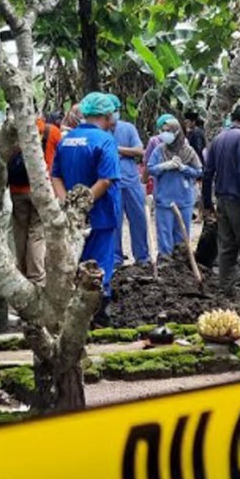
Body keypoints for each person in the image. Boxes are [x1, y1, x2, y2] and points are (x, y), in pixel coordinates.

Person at [50, 92, 121, 317]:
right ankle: (98, 314)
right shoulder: (105, 140)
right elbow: (106, 179)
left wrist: (68, 204)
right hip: (100, 214)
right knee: (99, 264)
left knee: (77, 262)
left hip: (73, 217)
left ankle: (74, 311)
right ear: (106, 115)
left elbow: (55, 176)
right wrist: (85, 203)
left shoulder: (66, 140)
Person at [202, 103, 240, 294]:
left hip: (222, 200)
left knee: (226, 247)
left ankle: (227, 287)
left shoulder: (218, 138)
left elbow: (207, 172)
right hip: (238, 200)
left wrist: (207, 203)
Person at [8, 111, 62, 286]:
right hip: (41, 189)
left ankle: (21, 272)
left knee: (20, 231)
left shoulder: (12, 131)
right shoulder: (51, 131)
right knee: (37, 233)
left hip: (16, 188)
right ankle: (36, 276)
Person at [147, 115, 203, 260]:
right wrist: (164, 166)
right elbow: (151, 168)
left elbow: (198, 171)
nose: (165, 134)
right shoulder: (159, 150)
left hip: (184, 198)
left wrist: (183, 168)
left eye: (169, 131)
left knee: (182, 233)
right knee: (164, 233)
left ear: (177, 132)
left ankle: (181, 261)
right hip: (164, 198)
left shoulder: (189, 151)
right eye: (163, 130)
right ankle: (165, 260)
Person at [109, 95, 150, 266]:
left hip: (131, 179)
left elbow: (140, 151)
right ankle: (116, 258)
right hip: (111, 182)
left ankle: (142, 256)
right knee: (114, 221)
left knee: (138, 218)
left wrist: (118, 149)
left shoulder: (128, 128)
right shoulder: (99, 131)